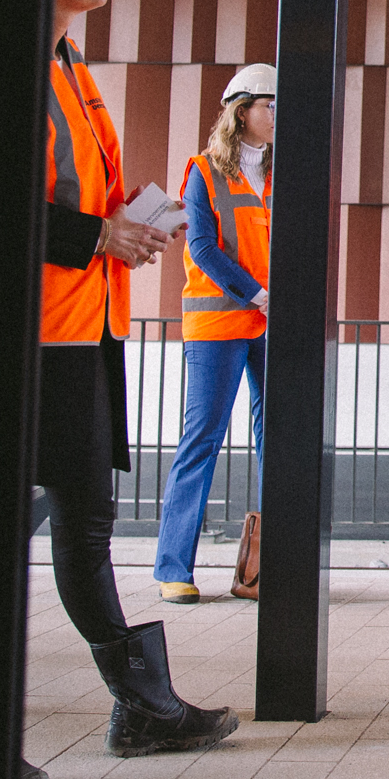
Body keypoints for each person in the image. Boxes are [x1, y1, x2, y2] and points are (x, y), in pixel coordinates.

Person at [35, 0, 238, 779]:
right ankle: (135, 706)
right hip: (36, 335)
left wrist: (122, 225)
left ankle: (145, 705)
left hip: (85, 328)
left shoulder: (71, 68)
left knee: (85, 520)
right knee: (45, 524)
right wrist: (93, 236)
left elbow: (68, 196)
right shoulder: (19, 65)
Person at [154, 63, 275, 604]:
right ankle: (171, 569)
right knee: (202, 440)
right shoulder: (204, 171)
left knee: (280, 442)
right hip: (221, 321)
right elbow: (202, 246)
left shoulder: (278, 174)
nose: (277, 115)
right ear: (240, 110)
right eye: (269, 105)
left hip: (270, 323)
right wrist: (258, 293)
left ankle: (268, 567)